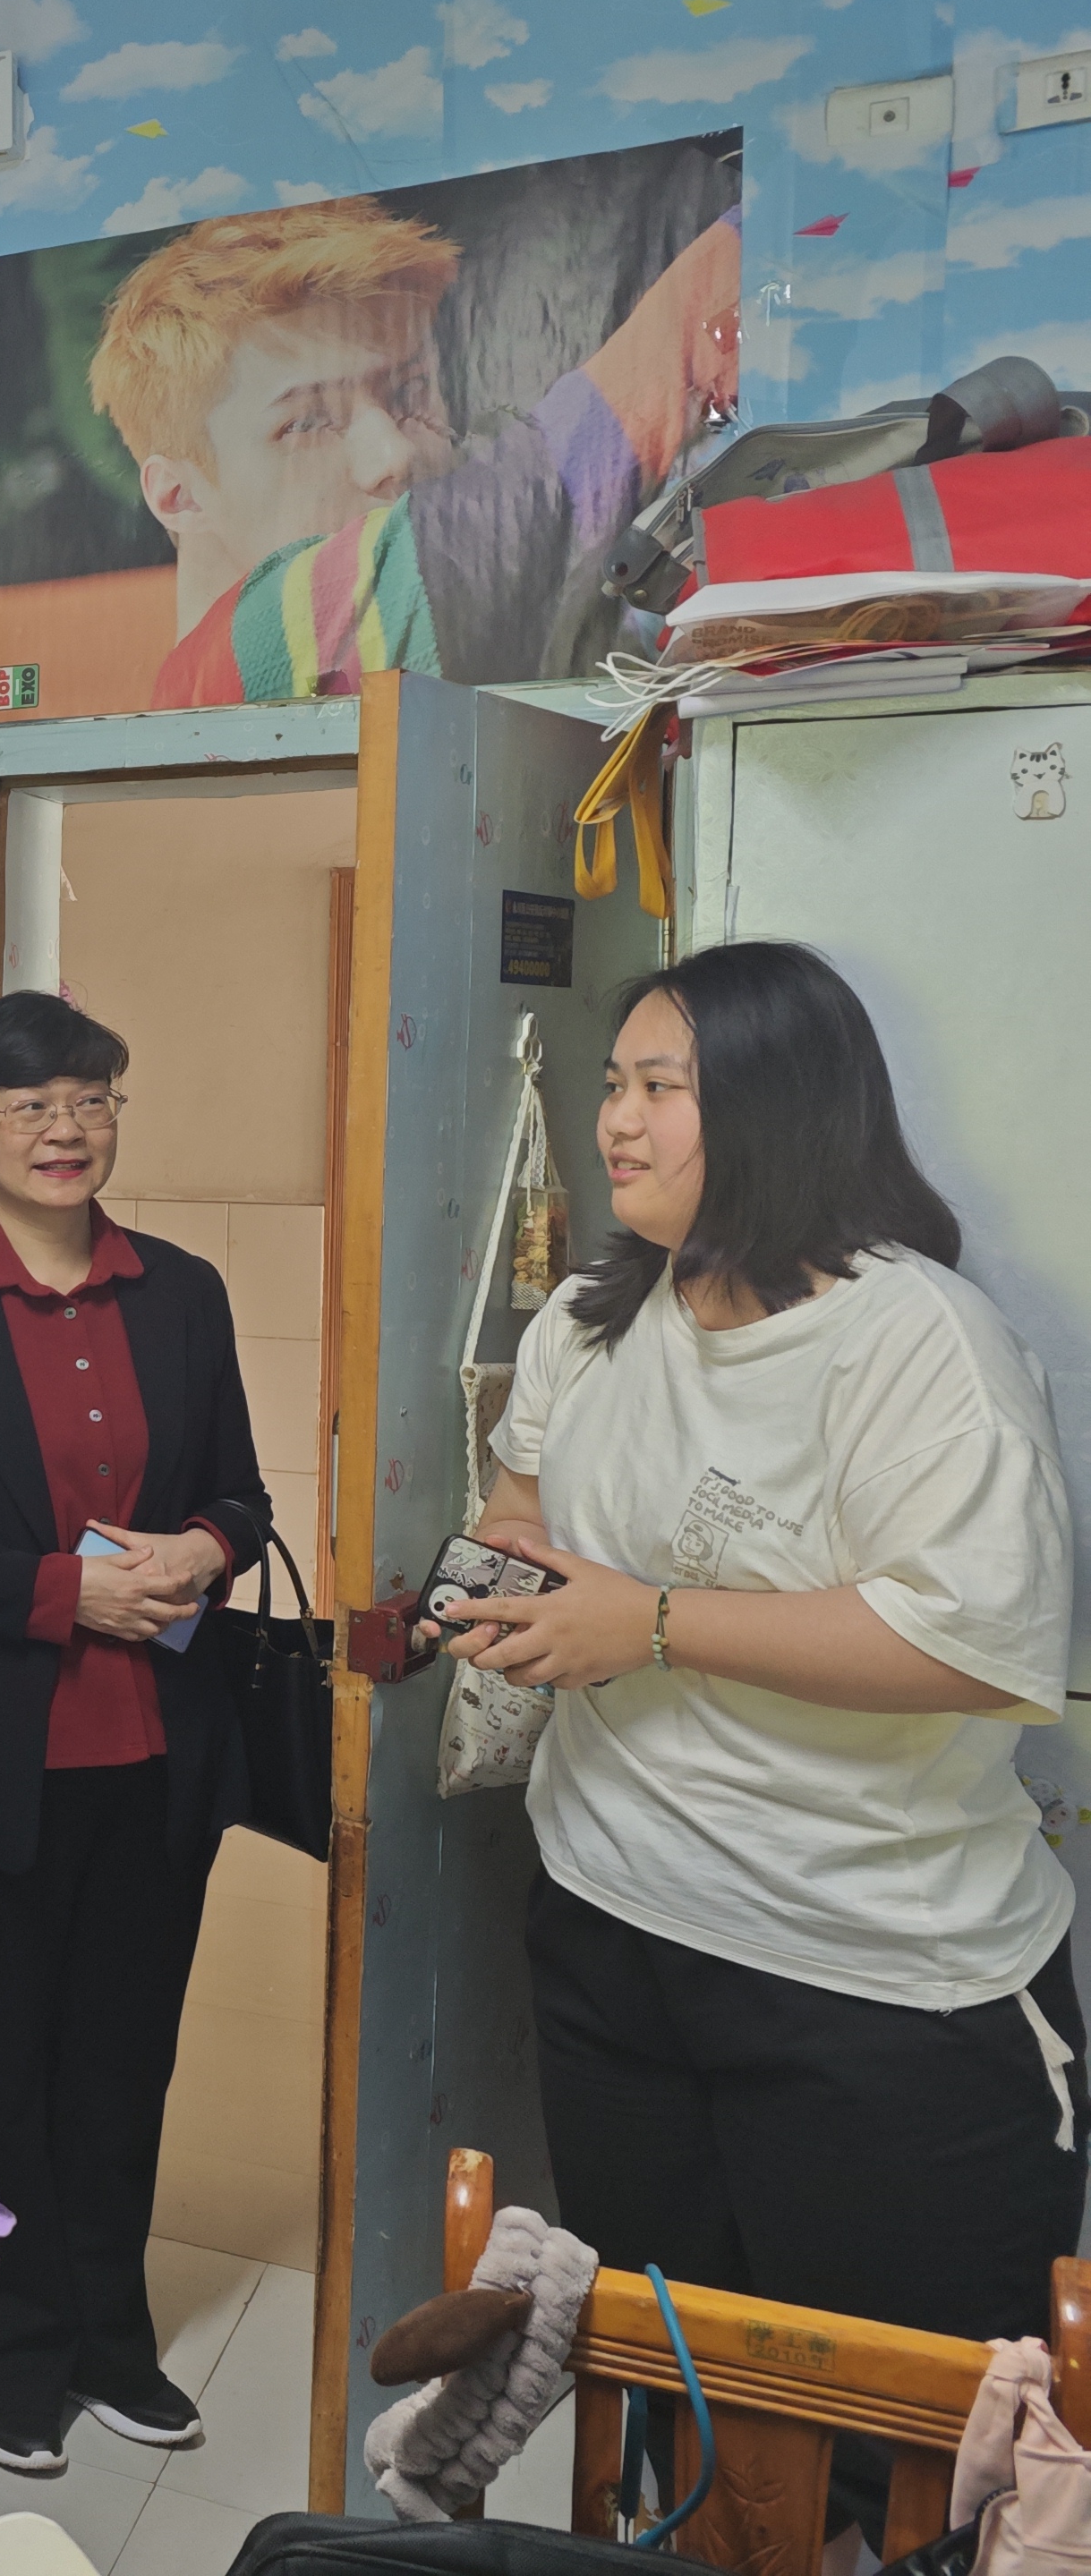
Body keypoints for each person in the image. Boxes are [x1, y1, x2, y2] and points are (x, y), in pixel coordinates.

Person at [439, 941, 1083, 2359]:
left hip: (869, 1978)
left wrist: (652, 1622)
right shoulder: (593, 1318)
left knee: (887, 2419)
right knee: (670, 2364)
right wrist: (503, 1589)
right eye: (614, 1084)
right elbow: (522, 1503)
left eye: (659, 1088)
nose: (616, 1120)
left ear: (777, 1105)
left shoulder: (919, 1342)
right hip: (612, 1920)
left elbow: (976, 1643)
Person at [0, 990, 274, 2478]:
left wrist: (203, 1550)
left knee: (122, 2062)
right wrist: (61, 1593)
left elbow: (241, 1494)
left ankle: (106, 2339)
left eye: (91, 1099)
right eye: (29, 1105)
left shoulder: (180, 1292)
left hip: (158, 1752)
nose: (65, 1129)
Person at [89, 193, 741, 707]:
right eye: (306, 423)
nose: (393, 456)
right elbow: (513, 513)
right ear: (178, 496)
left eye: (409, 391)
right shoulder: (223, 676)